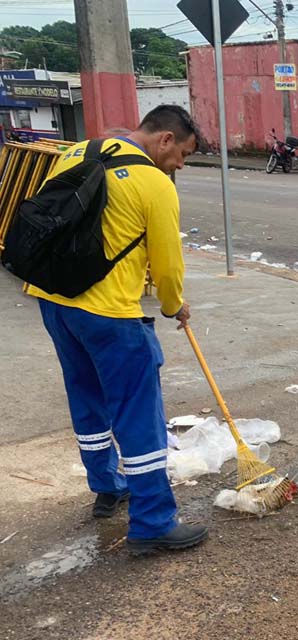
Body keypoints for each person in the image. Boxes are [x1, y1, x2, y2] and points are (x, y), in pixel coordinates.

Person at [27, 105, 208, 554]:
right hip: (110, 313)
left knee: (86, 397)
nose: (181, 165)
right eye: (183, 154)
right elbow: (167, 267)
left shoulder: (76, 152)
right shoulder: (154, 183)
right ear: (165, 139)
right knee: (138, 414)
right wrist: (174, 307)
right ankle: (152, 522)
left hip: (54, 302)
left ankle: (108, 486)